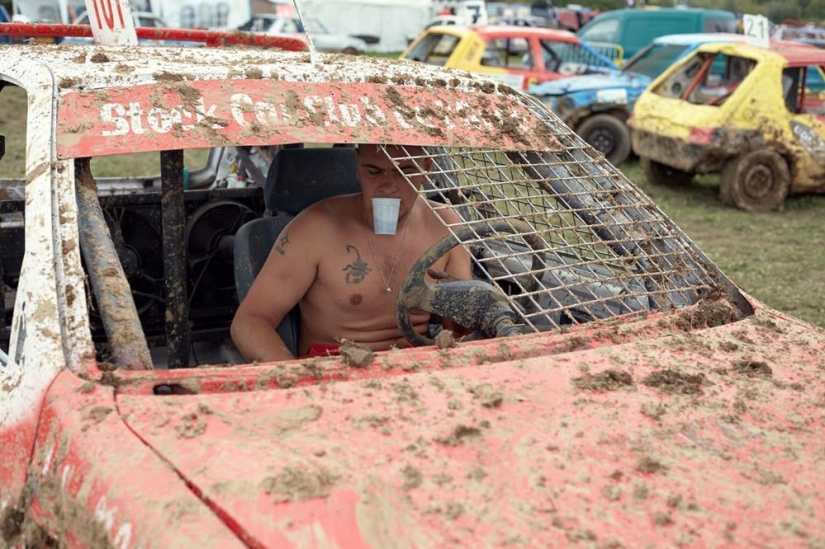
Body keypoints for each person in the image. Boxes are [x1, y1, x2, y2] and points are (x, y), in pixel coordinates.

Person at [231, 144, 472, 362]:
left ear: (426, 168)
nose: (388, 187)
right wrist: (296, 378)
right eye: (374, 172)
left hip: (417, 363)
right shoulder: (315, 228)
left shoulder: (447, 226)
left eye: (405, 171)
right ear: (357, 166)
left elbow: (462, 329)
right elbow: (250, 320)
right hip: (335, 366)